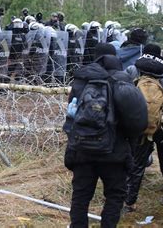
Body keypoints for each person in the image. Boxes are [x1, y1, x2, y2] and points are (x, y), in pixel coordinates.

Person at [63, 43, 148, 228]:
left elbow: (72, 116)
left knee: (80, 198)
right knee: (115, 197)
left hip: (83, 150)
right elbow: (135, 122)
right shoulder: (122, 80)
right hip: (114, 152)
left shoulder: (82, 80)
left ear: (96, 56)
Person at [123, 43, 163, 212]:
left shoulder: (133, 69)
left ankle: (129, 202)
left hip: (142, 124)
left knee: (137, 165)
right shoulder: (162, 73)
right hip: (161, 125)